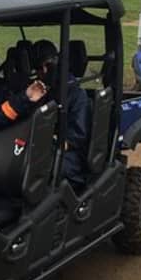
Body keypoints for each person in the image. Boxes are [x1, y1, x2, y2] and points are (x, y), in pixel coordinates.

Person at [31, 39, 91, 185]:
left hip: (68, 152)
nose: (37, 74)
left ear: (50, 65)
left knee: (40, 170)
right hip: (37, 146)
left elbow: (76, 136)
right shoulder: (39, 89)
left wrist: (50, 143)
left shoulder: (75, 94)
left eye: (40, 69)